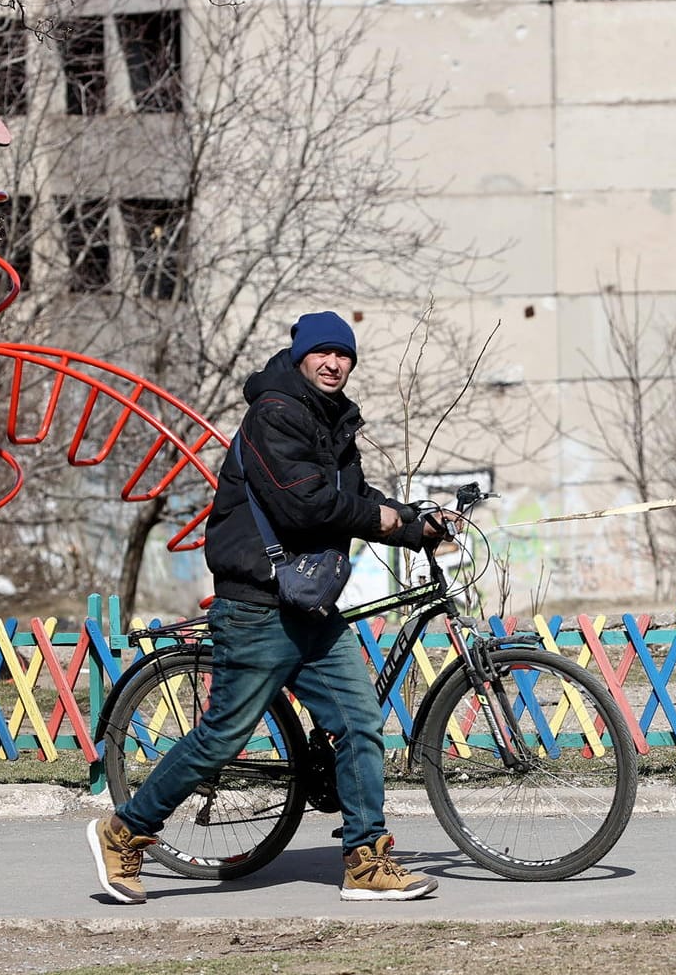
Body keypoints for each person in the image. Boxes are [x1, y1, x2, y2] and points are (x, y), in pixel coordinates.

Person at [88, 310, 447, 905]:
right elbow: (306, 506)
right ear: (303, 356)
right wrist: (378, 518)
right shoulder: (274, 415)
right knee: (222, 739)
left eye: (345, 356)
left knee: (360, 723)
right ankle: (125, 831)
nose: (335, 364)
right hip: (258, 605)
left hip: (309, 603)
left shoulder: (331, 420)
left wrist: (415, 524)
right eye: (324, 353)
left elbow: (354, 499)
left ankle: (364, 861)